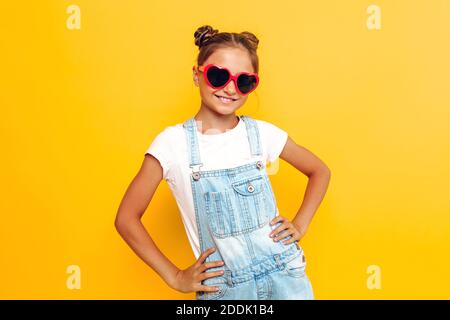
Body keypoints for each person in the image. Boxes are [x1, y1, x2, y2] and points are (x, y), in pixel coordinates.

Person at [115, 25, 331, 300]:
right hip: (226, 291)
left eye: (244, 81)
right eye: (218, 76)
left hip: (287, 279)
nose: (230, 89)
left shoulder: (262, 134)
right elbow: (126, 218)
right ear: (197, 74)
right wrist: (175, 276)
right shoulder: (172, 144)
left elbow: (320, 171)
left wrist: (300, 225)